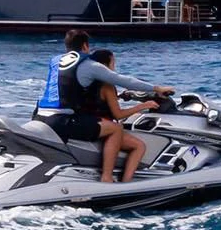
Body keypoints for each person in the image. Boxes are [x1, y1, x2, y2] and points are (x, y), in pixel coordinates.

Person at [32, 29, 175, 184]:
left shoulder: (56, 61)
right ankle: (107, 178)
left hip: (39, 116)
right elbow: (123, 80)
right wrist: (156, 88)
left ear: (66, 46)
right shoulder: (89, 65)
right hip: (61, 120)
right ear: (85, 46)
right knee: (115, 129)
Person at [89, 49, 164, 183]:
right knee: (139, 146)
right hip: (105, 127)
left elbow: (100, 104)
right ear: (106, 66)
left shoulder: (89, 83)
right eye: (113, 62)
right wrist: (143, 106)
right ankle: (126, 182)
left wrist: (121, 96)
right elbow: (118, 114)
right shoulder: (107, 85)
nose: (114, 66)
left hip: (91, 122)